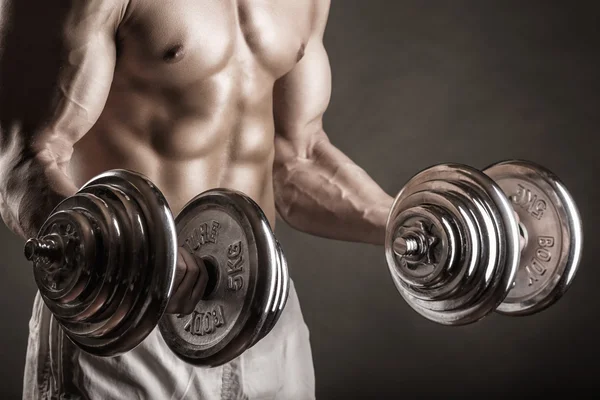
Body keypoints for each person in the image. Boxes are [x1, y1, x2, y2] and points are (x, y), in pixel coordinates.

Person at [0, 0, 394, 398]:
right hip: (125, 319)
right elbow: (21, 163)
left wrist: (399, 220)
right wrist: (137, 263)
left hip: (260, 314)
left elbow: (297, 159)